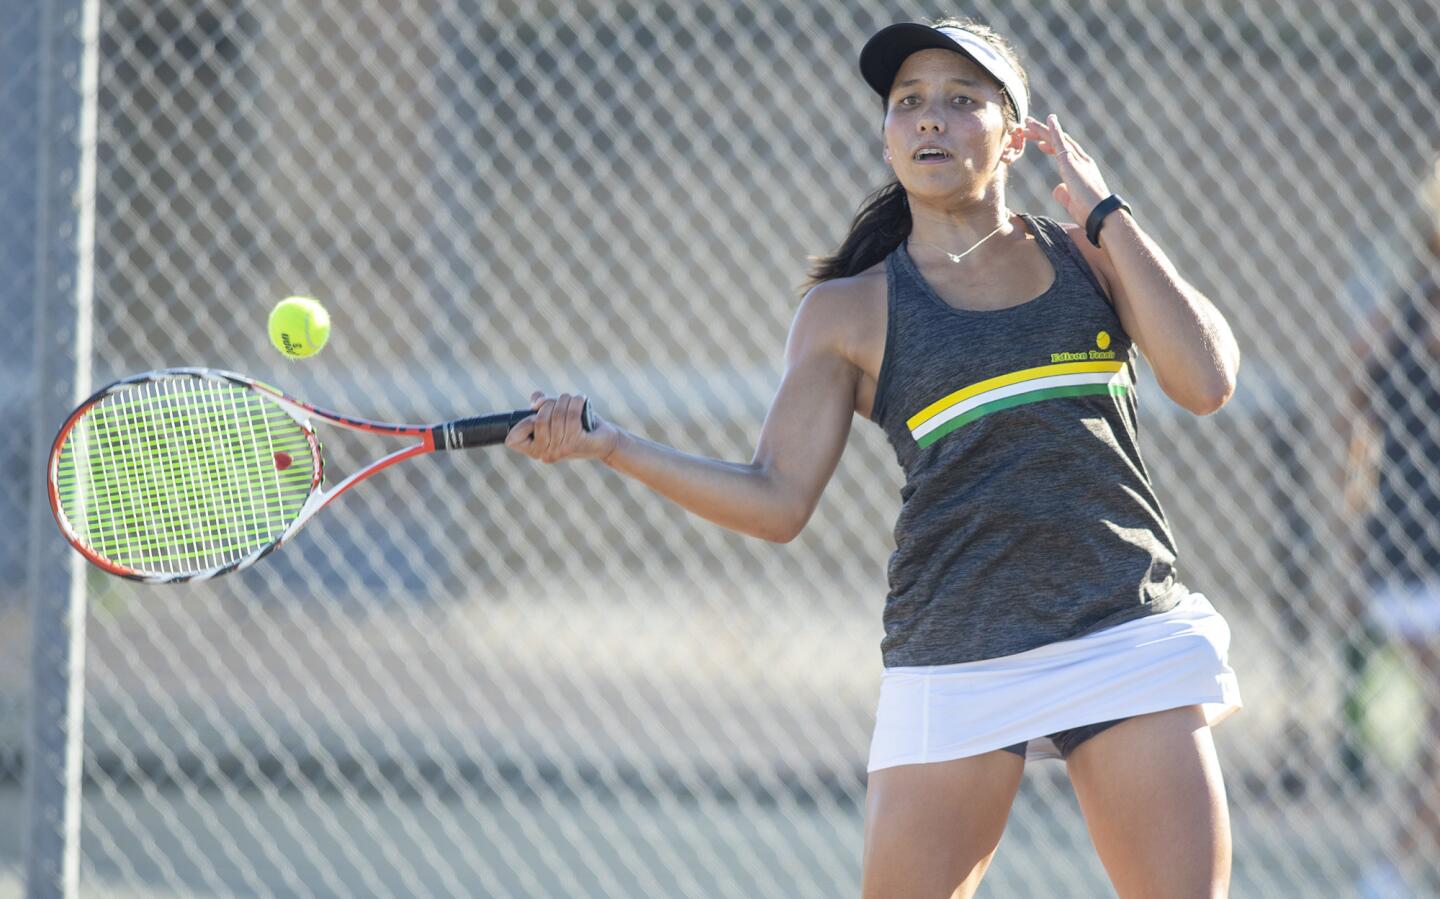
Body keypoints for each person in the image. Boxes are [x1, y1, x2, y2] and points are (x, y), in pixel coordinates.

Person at [506, 16, 1243, 898]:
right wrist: (612, 446)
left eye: (962, 101)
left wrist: (1107, 211)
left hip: (1122, 627)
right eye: (909, 102)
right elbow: (777, 501)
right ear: (888, 134)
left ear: (1016, 136)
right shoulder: (847, 312)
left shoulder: (1091, 254)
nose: (930, 119)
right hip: (958, 649)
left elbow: (1205, 382)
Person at [1348, 153, 1440, 899]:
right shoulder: (1402, 315)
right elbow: (1359, 428)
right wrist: (1358, 530)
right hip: (1415, 556)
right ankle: (1394, 866)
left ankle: (1398, 863)